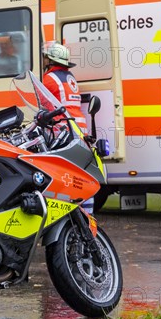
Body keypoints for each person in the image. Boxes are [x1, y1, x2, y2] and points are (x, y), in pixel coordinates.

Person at [42, 41, 94, 214]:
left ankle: (67, 212)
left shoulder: (49, 78)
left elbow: (42, 104)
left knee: (64, 173)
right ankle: (88, 212)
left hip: (63, 128)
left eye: (46, 58)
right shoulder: (69, 77)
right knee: (81, 171)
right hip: (80, 126)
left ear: (50, 61)